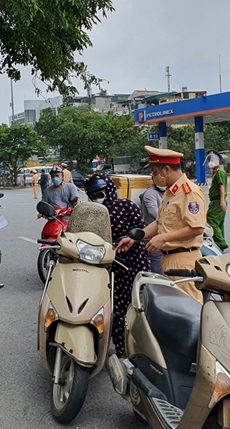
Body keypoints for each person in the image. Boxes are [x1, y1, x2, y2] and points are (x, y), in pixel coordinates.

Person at [117, 146, 206, 303]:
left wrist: (163, 238)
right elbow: (160, 223)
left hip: (183, 260)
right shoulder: (170, 192)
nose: (153, 176)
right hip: (168, 259)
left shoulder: (189, 192)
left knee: (189, 309)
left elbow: (197, 228)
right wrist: (135, 238)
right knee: (173, 309)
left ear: (166, 170)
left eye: (154, 172)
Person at [85, 174, 149, 356]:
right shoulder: (92, 213)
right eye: (94, 194)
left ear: (109, 189)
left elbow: (141, 230)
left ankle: (142, 351)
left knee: (139, 308)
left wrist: (128, 239)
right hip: (106, 267)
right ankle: (120, 350)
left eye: (100, 192)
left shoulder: (126, 205)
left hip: (133, 264)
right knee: (115, 311)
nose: (98, 196)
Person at [138, 171, 165, 273]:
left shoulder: (169, 192)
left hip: (165, 236)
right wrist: (173, 220)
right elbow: (154, 213)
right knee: (157, 269)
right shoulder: (150, 194)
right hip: (153, 237)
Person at [205, 151, 229, 250]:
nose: (211, 160)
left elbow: (221, 186)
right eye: (209, 158)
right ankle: (221, 243)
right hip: (217, 200)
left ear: (218, 159)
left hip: (217, 201)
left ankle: (221, 243)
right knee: (219, 223)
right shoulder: (216, 171)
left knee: (211, 220)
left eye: (213, 158)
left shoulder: (219, 172)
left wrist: (222, 200)